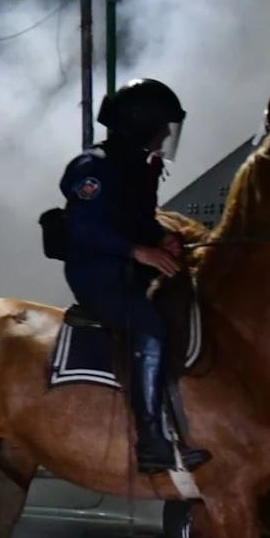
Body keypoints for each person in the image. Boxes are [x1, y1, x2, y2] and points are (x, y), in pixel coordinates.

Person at [60, 78, 211, 473]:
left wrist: (164, 238)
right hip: (97, 273)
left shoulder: (138, 169)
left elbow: (139, 221)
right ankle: (151, 440)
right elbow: (83, 230)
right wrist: (140, 250)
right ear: (140, 125)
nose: (165, 135)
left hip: (132, 268)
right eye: (161, 126)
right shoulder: (93, 168)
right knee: (149, 327)